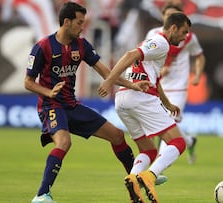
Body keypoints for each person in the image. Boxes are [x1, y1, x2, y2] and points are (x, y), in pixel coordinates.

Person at [24, 2, 151, 203]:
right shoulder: (43, 47)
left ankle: (136, 181)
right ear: (67, 22)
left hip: (72, 106)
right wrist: (48, 92)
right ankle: (41, 196)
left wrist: (133, 85)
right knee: (64, 142)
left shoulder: (81, 45)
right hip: (52, 107)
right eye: (79, 22)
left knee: (117, 135)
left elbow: (107, 74)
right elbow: (28, 82)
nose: (82, 26)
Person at [98, 12, 191, 203]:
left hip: (123, 100)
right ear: (173, 27)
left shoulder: (151, 43)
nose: (184, 38)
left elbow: (153, 78)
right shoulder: (161, 42)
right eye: (183, 32)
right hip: (141, 98)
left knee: (148, 150)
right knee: (178, 143)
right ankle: (151, 176)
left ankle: (133, 180)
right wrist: (109, 81)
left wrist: (167, 103)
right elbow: (130, 55)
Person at [145, 3, 205, 164]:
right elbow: (145, 55)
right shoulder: (153, 34)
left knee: (168, 124)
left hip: (179, 87)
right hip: (158, 86)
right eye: (167, 15)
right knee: (161, 125)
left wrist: (198, 74)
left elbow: (199, 56)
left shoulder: (188, 37)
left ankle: (157, 169)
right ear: (164, 17)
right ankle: (189, 141)